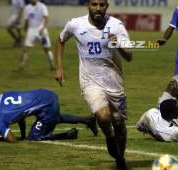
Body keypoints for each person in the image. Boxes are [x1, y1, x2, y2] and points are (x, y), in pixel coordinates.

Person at [54, 0, 132, 169]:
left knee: (118, 121)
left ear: (107, 6)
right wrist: (59, 67)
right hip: (90, 81)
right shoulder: (75, 24)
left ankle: (120, 158)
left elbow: (129, 56)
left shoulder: (117, 26)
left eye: (102, 4)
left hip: (114, 81)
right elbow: (60, 40)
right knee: (103, 116)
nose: (98, 8)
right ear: (88, 5)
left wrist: (118, 44)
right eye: (94, 4)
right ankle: (109, 136)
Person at [0, 89, 97, 142]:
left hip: (46, 105)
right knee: (53, 118)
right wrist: (22, 136)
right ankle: (87, 120)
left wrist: (3, 138)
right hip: (47, 95)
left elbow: (12, 139)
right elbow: (19, 115)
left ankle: (67, 135)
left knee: (33, 137)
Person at [17, 0, 55, 70]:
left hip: (41, 31)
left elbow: (46, 18)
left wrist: (42, 28)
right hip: (31, 30)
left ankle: (52, 64)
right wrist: (24, 32)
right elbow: (26, 21)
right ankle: (21, 65)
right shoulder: (27, 8)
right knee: (25, 48)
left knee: (46, 48)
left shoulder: (42, 6)